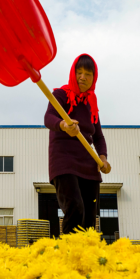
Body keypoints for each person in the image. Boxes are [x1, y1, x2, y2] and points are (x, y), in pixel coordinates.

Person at [44, 53, 111, 238]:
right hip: (64, 161)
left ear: (93, 78)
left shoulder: (92, 104)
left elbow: (98, 137)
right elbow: (49, 118)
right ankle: (68, 255)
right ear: (73, 73)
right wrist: (64, 126)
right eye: (79, 72)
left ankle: (85, 259)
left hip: (89, 165)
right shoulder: (61, 94)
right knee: (75, 208)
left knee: (89, 218)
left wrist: (103, 159)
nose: (82, 77)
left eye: (88, 74)